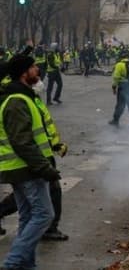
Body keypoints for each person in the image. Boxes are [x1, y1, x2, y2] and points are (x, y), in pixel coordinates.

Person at [0, 55, 61, 269]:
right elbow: (22, 142)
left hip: (20, 167)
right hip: (26, 168)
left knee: (27, 218)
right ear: (24, 73)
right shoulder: (17, 100)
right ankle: (11, 264)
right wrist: (45, 169)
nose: (38, 69)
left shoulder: (23, 96)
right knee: (45, 215)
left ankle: (27, 266)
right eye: (34, 67)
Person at [0, 78, 69, 241]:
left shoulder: (33, 99)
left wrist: (55, 144)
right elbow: (22, 136)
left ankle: (26, 252)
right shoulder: (16, 101)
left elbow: (43, 126)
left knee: (33, 198)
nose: (39, 80)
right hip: (29, 158)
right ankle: (47, 230)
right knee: (43, 202)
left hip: (40, 154)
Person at [109, 50, 129, 127]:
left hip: (123, 87)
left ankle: (115, 121)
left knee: (120, 105)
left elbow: (116, 77)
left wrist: (114, 87)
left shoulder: (119, 65)